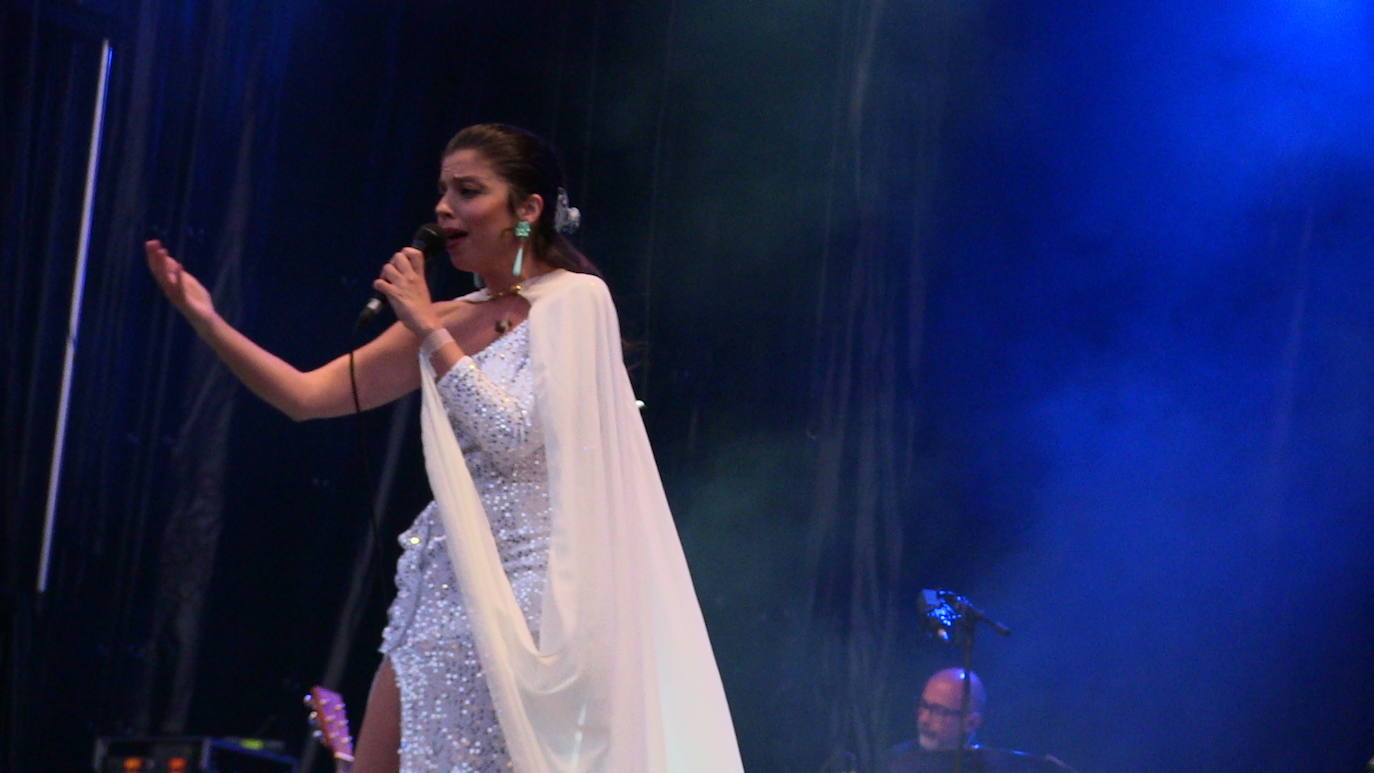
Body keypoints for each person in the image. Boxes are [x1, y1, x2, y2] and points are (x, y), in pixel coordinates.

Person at [146, 123, 743, 772]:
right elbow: (306, 396)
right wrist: (207, 320)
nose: (443, 207)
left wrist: (427, 327)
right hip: (439, 590)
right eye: (440, 190)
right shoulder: (449, 317)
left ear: (527, 210)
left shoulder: (575, 301)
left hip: (528, 602)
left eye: (467, 190)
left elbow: (514, 438)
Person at [887, 669, 1071, 773]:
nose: (924, 719)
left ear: (972, 723)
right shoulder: (893, 760)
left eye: (938, 711)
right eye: (923, 706)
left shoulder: (995, 767)